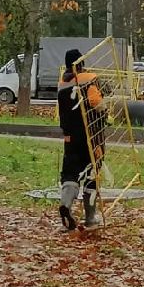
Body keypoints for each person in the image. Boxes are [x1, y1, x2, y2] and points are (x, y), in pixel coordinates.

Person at [56, 49, 105, 230]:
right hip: (91, 137)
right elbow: (97, 104)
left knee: (70, 173)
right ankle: (91, 217)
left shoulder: (62, 83)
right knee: (92, 173)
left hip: (70, 137)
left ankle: (66, 205)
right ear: (81, 62)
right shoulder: (89, 78)